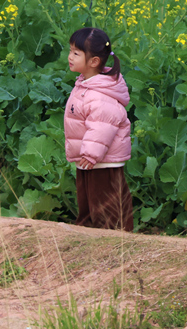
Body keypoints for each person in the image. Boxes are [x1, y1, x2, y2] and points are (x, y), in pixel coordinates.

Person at [64, 27, 133, 231]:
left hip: (102, 161)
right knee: (88, 203)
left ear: (94, 61)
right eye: (70, 51)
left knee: (107, 207)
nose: (70, 57)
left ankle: (116, 240)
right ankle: (86, 234)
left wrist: (91, 154)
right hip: (88, 160)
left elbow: (103, 126)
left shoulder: (100, 93)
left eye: (76, 53)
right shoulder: (86, 84)